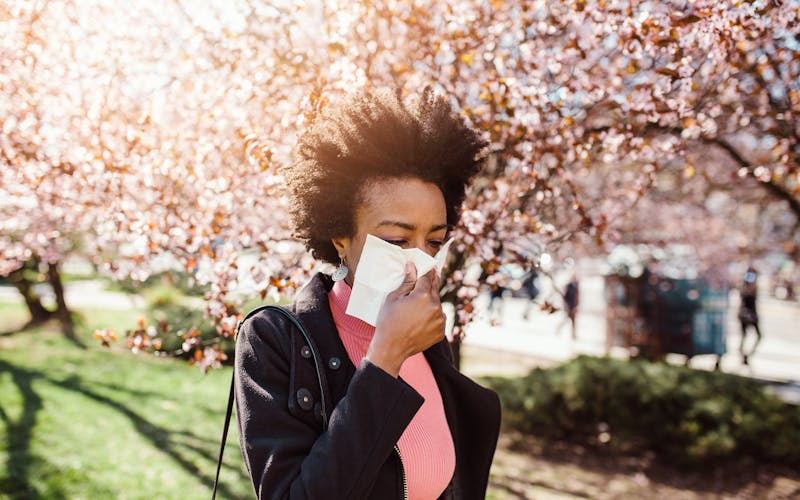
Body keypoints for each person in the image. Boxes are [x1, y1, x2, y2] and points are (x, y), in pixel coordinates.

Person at [234, 87, 501, 499]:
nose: (419, 261)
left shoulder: (428, 340)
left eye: (434, 242)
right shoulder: (272, 340)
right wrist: (385, 359)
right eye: (396, 240)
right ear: (341, 237)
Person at [738, 265, 761, 365]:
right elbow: (745, 300)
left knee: (757, 336)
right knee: (744, 336)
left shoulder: (754, 287)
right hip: (746, 314)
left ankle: (746, 355)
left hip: (752, 314)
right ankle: (743, 355)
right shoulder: (745, 288)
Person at [558, 273, 579, 339]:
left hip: (573, 307)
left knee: (573, 322)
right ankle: (558, 329)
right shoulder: (569, 286)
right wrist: (567, 307)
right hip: (569, 307)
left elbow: (577, 298)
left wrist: (576, 306)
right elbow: (565, 297)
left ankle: (573, 335)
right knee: (566, 320)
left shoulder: (577, 286)